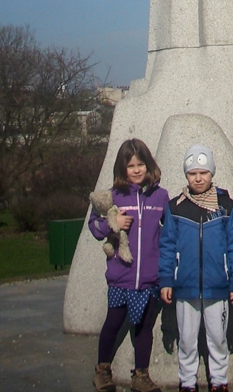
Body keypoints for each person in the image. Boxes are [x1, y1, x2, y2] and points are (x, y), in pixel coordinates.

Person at [158, 143, 233, 392]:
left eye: (203, 172)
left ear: (212, 174)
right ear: (186, 175)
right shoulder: (175, 207)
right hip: (185, 287)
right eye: (193, 173)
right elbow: (167, 246)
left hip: (217, 286)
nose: (198, 178)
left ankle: (219, 380)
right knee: (186, 339)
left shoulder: (226, 206)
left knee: (217, 337)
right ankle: (187, 381)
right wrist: (166, 279)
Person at [89, 138, 169, 392]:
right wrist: (113, 224)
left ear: (149, 165)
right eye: (130, 165)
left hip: (148, 278)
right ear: (122, 169)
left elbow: (169, 231)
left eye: (140, 164)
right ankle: (102, 369)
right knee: (113, 323)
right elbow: (94, 225)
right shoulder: (114, 196)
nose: (136, 170)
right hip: (121, 277)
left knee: (144, 328)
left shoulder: (160, 196)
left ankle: (141, 375)